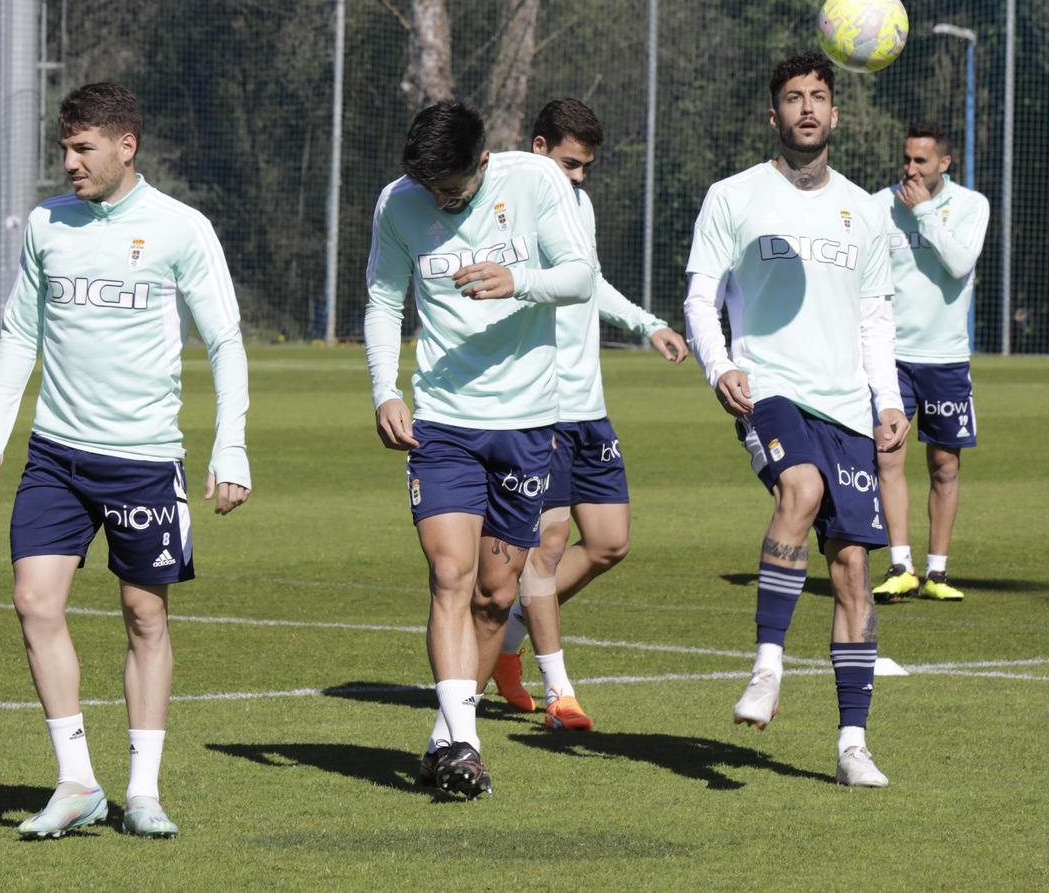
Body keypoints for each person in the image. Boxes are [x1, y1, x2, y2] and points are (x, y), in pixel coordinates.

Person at [0, 82, 252, 839]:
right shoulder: (47, 225)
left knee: (144, 613)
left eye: (83, 148)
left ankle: (145, 790)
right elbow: (20, 334)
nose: (69, 163)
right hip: (56, 455)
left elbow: (224, 339)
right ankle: (76, 781)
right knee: (35, 601)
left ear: (127, 147)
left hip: (144, 459)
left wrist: (232, 446)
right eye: (65, 147)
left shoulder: (180, 229)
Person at [681, 51, 907, 788]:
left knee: (851, 571)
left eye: (817, 97)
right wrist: (721, 368)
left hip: (847, 403)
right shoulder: (734, 196)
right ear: (772, 114)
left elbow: (875, 316)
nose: (806, 108)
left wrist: (889, 402)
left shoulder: (865, 211)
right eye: (792, 98)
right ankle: (768, 667)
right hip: (771, 388)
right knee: (800, 488)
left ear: (836, 113)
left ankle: (851, 744)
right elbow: (699, 295)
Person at [364, 100, 594, 799]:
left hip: (526, 424)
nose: (441, 201)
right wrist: (385, 388)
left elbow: (580, 277)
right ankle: (466, 741)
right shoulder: (399, 204)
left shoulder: (534, 182)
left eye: (454, 190)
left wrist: (516, 280)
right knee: (450, 572)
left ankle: (444, 736)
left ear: (484, 160)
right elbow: (381, 299)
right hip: (443, 423)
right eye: (432, 191)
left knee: (497, 596)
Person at [490, 98, 688, 729]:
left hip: (589, 408)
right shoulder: (508, 208)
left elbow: (588, 279)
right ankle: (560, 693)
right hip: (538, 407)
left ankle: (505, 641)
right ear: (539, 146)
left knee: (608, 543)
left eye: (587, 168)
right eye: (570, 164)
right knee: (546, 549)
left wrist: (646, 323)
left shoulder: (578, 204)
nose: (578, 178)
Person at [869, 123, 990, 604]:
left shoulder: (971, 205)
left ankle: (938, 573)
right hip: (890, 357)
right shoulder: (878, 206)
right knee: (887, 456)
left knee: (944, 466)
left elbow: (960, 265)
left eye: (921, 161)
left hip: (945, 359)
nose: (910, 169)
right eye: (907, 159)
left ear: (945, 163)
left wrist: (923, 213)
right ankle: (901, 566)